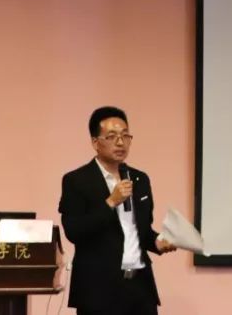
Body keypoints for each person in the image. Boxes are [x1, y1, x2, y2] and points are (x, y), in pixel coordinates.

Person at [59, 106, 176, 315]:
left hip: (140, 288)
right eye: (112, 136)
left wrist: (158, 242)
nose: (120, 142)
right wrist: (111, 202)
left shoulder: (140, 179)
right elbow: (74, 231)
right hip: (98, 290)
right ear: (95, 142)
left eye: (125, 136)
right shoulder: (76, 180)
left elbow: (141, 231)